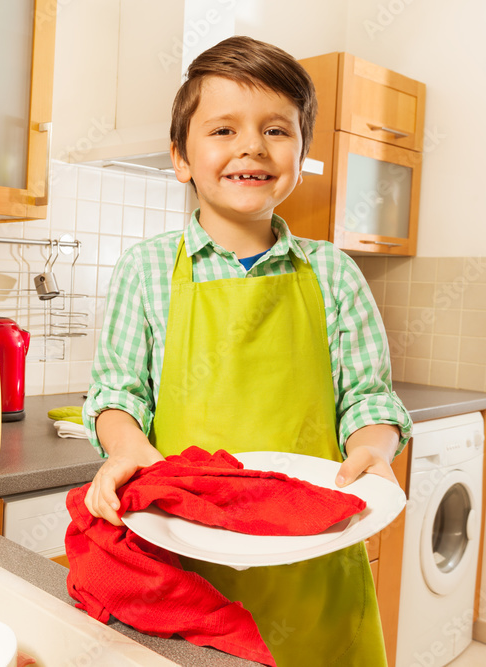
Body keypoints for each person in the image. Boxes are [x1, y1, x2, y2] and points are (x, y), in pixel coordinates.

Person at [82, 35, 411, 667]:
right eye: (224, 129)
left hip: (313, 550)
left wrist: (372, 449)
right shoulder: (146, 269)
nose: (252, 147)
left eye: (276, 130)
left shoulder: (333, 273)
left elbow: (368, 398)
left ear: (301, 154)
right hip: (186, 554)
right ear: (181, 157)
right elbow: (118, 393)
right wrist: (128, 451)